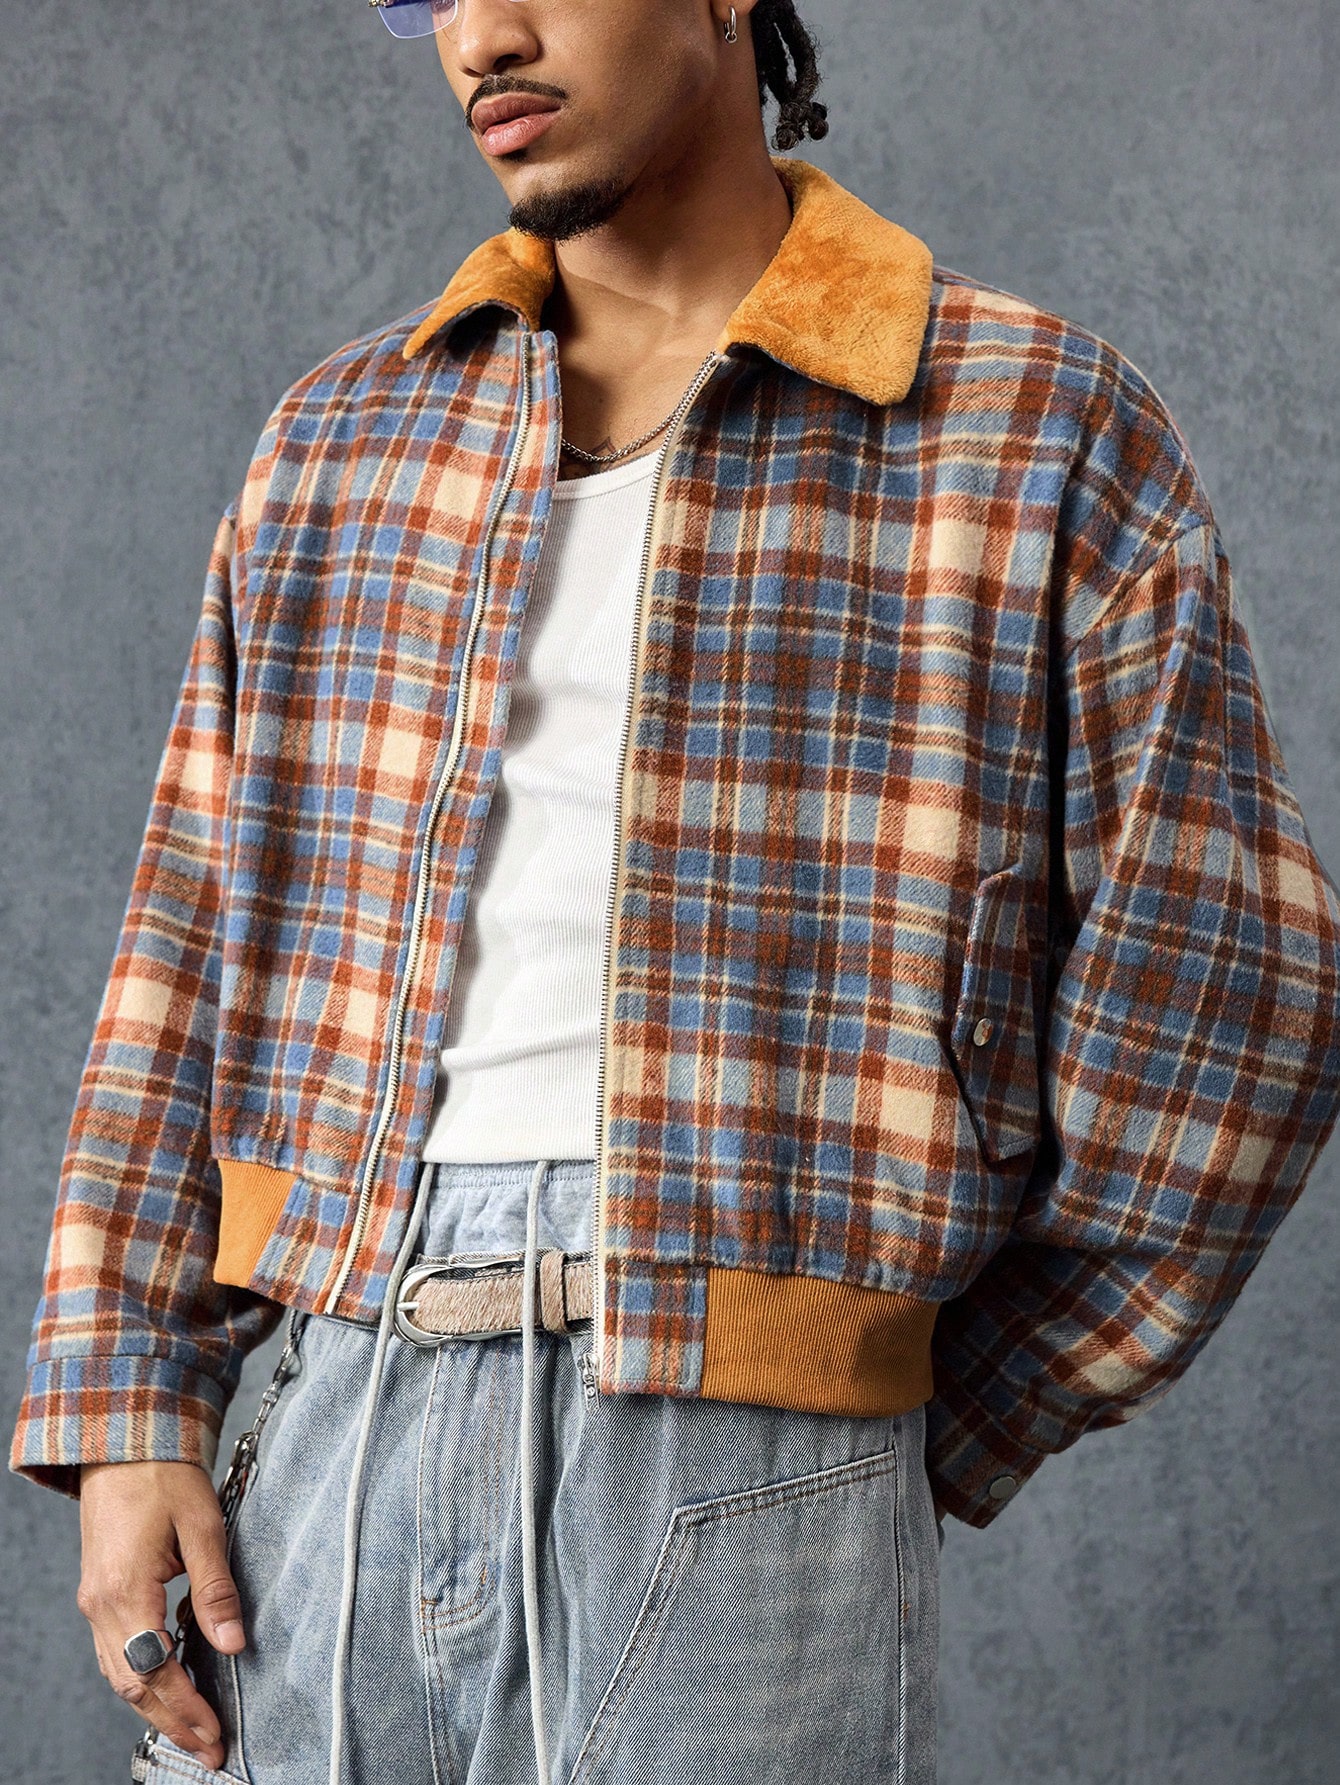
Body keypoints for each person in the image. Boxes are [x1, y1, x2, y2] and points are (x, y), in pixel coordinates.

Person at [11, 1, 1340, 1782]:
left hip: (746, 1483)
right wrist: (127, 1397)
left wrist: (891, 1406)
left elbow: (1232, 1005)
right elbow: (189, 934)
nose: (482, 34)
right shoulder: (344, 439)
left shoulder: (1031, 425)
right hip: (338, 1421)